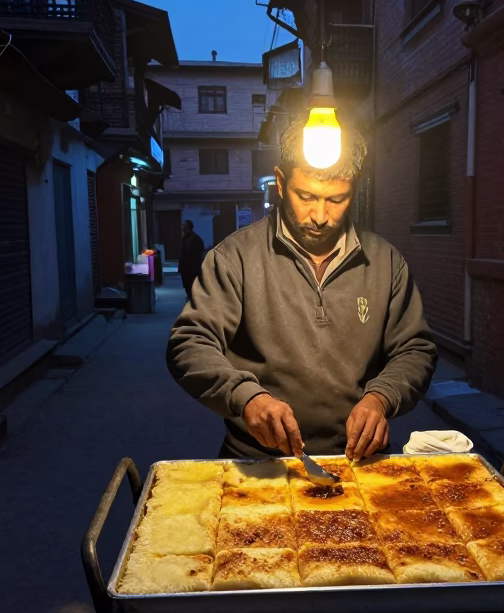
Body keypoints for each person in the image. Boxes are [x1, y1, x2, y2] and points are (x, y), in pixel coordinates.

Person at [166, 116, 437, 462]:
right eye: (306, 196)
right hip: (260, 460)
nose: (321, 215)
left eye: (337, 199)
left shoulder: (385, 261)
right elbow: (189, 343)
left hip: (362, 461)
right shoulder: (235, 258)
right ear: (280, 182)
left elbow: (415, 349)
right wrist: (246, 397)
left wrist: (381, 398)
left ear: (354, 188)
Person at [177, 220, 205, 302]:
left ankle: (193, 299)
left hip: (191, 267)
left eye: (184, 226)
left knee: (191, 283)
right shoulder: (185, 238)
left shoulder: (195, 239)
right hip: (185, 266)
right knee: (186, 284)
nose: (182, 228)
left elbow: (196, 254)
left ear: (188, 227)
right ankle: (191, 297)